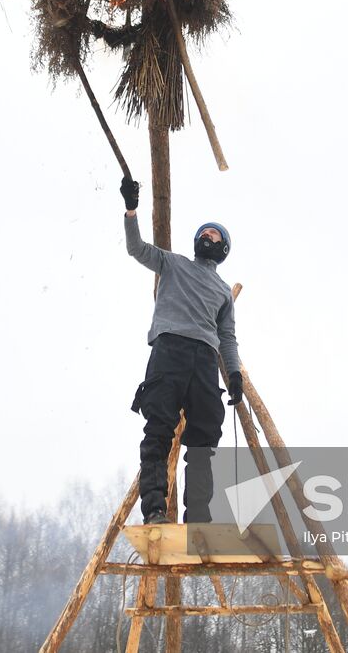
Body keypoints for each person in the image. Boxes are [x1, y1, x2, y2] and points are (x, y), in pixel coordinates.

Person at [119, 176, 242, 525]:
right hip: (169, 352)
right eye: (204, 233)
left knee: (203, 442)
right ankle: (155, 510)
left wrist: (233, 375)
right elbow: (137, 248)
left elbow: (228, 338)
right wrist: (131, 210)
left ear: (223, 249)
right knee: (158, 429)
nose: (207, 237)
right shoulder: (173, 264)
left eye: (215, 236)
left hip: (204, 361)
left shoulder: (221, 292)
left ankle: (198, 519)